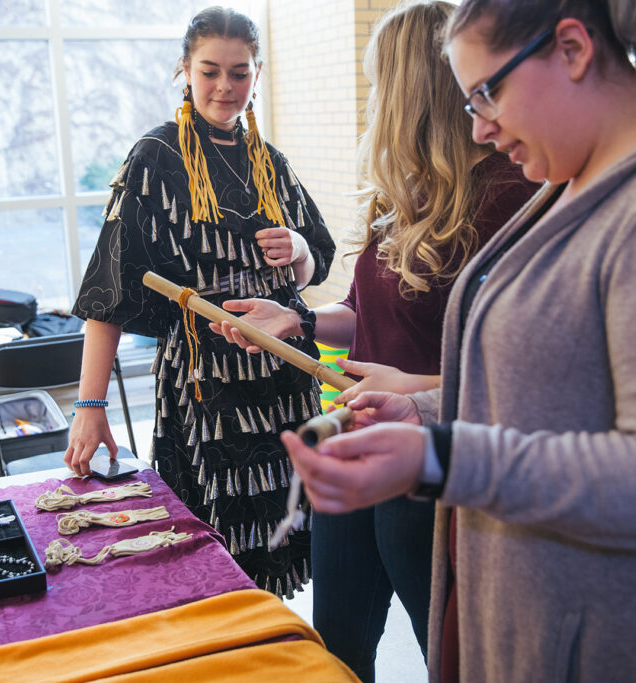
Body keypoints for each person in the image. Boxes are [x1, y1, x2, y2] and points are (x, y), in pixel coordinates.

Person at [281, 0, 636, 680]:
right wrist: (423, 414)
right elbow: (558, 388)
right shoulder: (575, 182)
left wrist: (437, 456)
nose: (481, 127)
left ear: (574, 50)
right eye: (468, 103)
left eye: (486, 93)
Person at [213, 3, 537, 679]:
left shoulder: (507, 195)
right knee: (337, 646)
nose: (371, 97)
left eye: (376, 81)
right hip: (362, 434)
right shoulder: (402, 194)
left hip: (434, 461)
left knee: (447, 653)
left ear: (411, 89)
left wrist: (416, 393)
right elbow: (363, 315)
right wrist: (294, 319)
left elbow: (513, 372)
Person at [65, 6, 336, 598]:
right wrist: (91, 403)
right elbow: (110, 289)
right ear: (183, 71)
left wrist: (296, 248)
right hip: (205, 389)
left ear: (257, 76)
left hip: (286, 381)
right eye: (210, 71)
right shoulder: (154, 158)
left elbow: (316, 261)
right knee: (213, 556)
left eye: (239, 73)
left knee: (287, 542)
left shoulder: (271, 163)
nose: (224, 87)